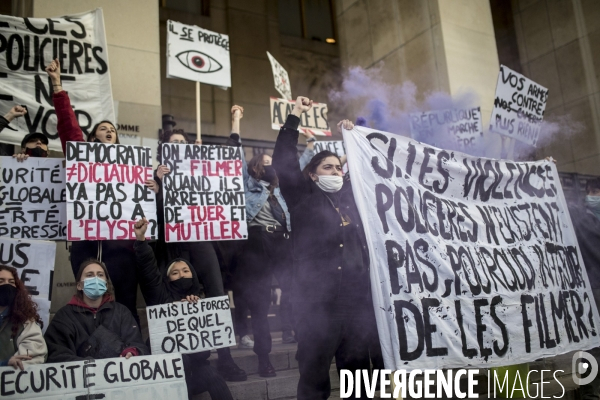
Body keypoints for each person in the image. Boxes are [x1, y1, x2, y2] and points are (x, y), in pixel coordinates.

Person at [272, 96, 376, 399]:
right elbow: (283, 159)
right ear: (313, 175)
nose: (336, 172)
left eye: (338, 168)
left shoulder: (353, 202)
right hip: (318, 307)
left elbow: (370, 169)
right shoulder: (302, 199)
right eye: (328, 168)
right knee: (315, 379)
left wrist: (352, 137)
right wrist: (295, 115)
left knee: (359, 381)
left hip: (357, 306)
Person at [45, 58, 157, 322]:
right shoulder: (84, 154)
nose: (108, 132)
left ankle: (129, 345)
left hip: (121, 244)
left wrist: (154, 186)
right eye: (102, 129)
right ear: (93, 138)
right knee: (89, 297)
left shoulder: (132, 165)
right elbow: (69, 128)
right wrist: (57, 85)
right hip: (86, 241)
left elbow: (144, 202)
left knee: (127, 298)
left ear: (117, 139)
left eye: (112, 130)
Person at [153, 128, 247, 382]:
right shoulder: (155, 177)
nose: (180, 146)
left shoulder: (202, 171)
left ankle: (225, 359)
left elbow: (228, 172)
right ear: (164, 149)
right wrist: (160, 185)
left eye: (183, 143)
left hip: (201, 243)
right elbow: (155, 219)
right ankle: (182, 362)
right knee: (178, 299)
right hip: (173, 246)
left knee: (217, 297)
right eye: (174, 143)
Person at [133, 218, 234, 400]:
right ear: (168, 278)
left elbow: (204, 352)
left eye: (186, 271)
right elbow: (148, 270)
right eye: (175, 272)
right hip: (167, 372)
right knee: (182, 361)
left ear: (193, 276)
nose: (181, 274)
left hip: (195, 371)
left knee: (214, 378)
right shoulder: (159, 297)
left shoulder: (199, 303)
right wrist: (141, 242)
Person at [226, 105, 293, 377]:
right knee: (260, 303)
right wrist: (236, 121)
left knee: (300, 291)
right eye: (264, 163)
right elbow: (234, 154)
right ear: (255, 169)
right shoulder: (247, 185)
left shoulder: (283, 192)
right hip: (257, 242)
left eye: (271, 163)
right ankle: (264, 358)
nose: (269, 166)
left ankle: (305, 339)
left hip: (283, 241)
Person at [44, 259, 148, 362]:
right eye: (89, 275)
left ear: (106, 284)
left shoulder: (121, 312)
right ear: (79, 285)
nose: (96, 279)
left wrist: (132, 352)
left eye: (100, 275)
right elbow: (56, 354)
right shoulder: (64, 317)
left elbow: (137, 344)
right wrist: (91, 365)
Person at [570, 177, 600, 399]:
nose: (592, 195)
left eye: (595, 191)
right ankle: (589, 391)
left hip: (592, 286)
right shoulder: (581, 217)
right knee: (592, 345)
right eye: (591, 191)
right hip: (592, 288)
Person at [0, 265, 47, 370]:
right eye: (1, 281)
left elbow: (33, 358)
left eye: (11, 282)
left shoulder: (25, 323)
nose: (6, 285)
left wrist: (10, 365)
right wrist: (3, 364)